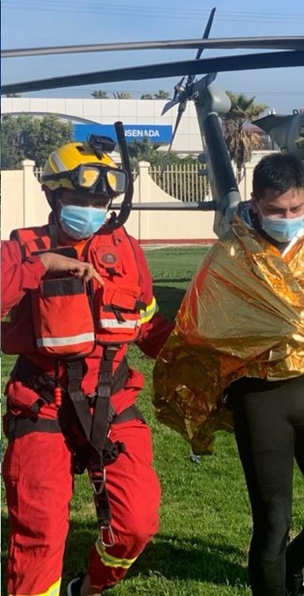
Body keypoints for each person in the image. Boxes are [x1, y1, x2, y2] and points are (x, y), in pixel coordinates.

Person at [152, 153, 304, 596]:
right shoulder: (232, 255)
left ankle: (293, 567)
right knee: (272, 521)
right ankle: (276, 581)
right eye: (276, 211)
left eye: (296, 209)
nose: (288, 218)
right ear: (256, 204)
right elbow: (202, 327)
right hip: (260, 398)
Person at [1, 138, 173, 596]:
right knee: (39, 533)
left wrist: (197, 356)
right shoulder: (23, 247)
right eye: (80, 199)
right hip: (42, 406)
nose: (91, 209)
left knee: (136, 522)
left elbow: (149, 322)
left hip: (111, 403)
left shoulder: (127, 253)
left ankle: (89, 587)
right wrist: (41, 265)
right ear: (54, 197)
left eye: (100, 201)